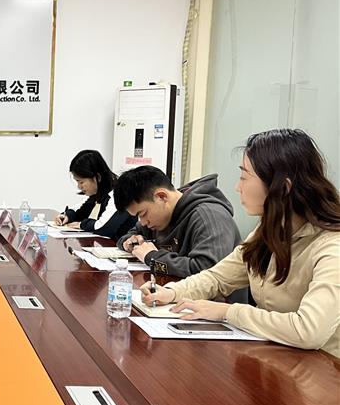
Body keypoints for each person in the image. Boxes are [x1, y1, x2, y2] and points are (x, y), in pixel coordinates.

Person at [140, 129, 340, 357]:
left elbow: (308, 330)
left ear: (283, 188)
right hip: (276, 354)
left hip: (322, 367)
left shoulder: (331, 246)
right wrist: (171, 292)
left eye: (244, 177)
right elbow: (217, 277)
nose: (238, 187)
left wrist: (227, 312)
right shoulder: (269, 230)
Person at [114, 165, 241, 278]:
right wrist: (128, 242)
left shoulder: (208, 216)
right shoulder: (158, 218)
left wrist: (152, 257)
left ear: (161, 196)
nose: (143, 222)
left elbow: (206, 271)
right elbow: (132, 234)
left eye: (143, 214)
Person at [53, 150, 135, 240]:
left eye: (81, 182)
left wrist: (81, 224)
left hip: (121, 246)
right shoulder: (99, 193)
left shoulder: (119, 193)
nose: (79, 187)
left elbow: (103, 228)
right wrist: (67, 216)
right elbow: (79, 210)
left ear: (98, 177)